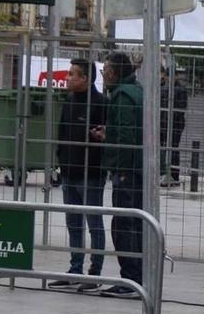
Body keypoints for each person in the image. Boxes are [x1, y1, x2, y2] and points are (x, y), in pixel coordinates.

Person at [52, 56, 108, 291]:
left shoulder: (100, 103)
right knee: (73, 222)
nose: (67, 78)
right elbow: (62, 133)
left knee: (94, 222)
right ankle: (75, 268)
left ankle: (94, 273)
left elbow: (105, 137)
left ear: (85, 78)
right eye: (68, 73)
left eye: (72, 74)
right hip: (69, 171)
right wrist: (60, 161)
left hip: (91, 173)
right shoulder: (69, 101)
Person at [100, 52, 146, 300]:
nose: (104, 74)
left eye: (105, 69)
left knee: (124, 225)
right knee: (135, 224)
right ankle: (136, 277)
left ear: (114, 71)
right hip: (136, 169)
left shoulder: (123, 96)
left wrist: (123, 170)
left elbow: (127, 135)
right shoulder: (136, 90)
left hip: (128, 171)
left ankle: (131, 280)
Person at [160, 64, 190, 186]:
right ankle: (165, 174)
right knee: (166, 148)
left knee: (172, 149)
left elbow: (181, 108)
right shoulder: (164, 88)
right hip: (165, 123)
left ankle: (173, 175)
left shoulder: (179, 90)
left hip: (175, 124)